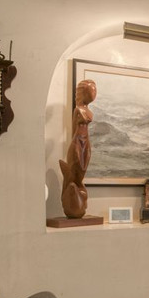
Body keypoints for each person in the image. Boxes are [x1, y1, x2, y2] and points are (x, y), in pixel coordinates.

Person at [59, 78, 97, 219]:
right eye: (91, 91)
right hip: (77, 141)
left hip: (86, 141)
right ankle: (72, 201)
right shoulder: (78, 110)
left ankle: (79, 194)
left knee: (83, 167)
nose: (94, 95)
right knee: (77, 167)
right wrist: (75, 146)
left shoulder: (88, 110)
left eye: (95, 92)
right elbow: (74, 129)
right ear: (84, 93)